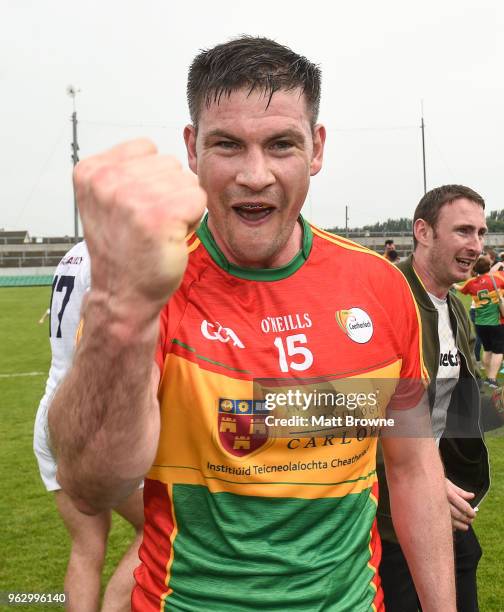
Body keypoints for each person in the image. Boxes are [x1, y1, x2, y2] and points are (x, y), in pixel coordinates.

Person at [47, 36, 455, 611]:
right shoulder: (150, 287)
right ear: (192, 149)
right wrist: (126, 310)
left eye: (281, 144)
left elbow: (412, 470)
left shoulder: (380, 287)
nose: (255, 174)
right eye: (228, 145)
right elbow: (93, 486)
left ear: (316, 148)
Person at [378, 185, 493, 612]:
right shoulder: (384, 299)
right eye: (463, 231)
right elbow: (350, 414)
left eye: (481, 233)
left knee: (465, 572)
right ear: (422, 231)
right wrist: (427, 481)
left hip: (442, 496)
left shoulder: (455, 307)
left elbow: (462, 407)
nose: (475, 246)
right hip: (388, 513)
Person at [33, 241, 144, 612]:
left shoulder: (76, 251)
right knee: (165, 529)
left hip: (52, 412)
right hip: (95, 420)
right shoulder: (121, 253)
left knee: (86, 547)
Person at [457, 256, 504, 388]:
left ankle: (489, 377)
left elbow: (461, 289)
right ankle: (492, 379)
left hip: (480, 322)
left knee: (487, 349)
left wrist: (451, 283)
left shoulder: (471, 283)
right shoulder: (498, 278)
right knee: (498, 351)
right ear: (489, 267)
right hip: (496, 322)